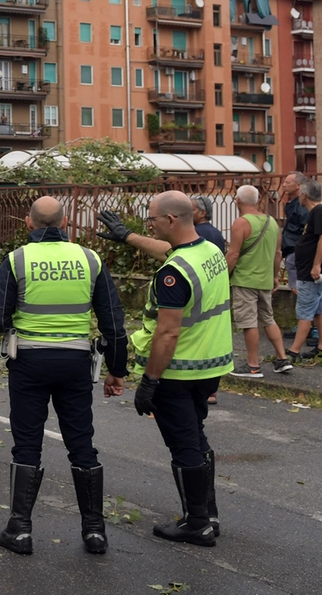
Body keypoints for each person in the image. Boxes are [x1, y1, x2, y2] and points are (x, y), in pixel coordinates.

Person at [0, 197, 128, 556]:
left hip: (29, 363)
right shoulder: (90, 259)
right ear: (65, 221)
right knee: (81, 442)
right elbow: (112, 321)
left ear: (29, 222)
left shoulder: (17, 259)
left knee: (27, 442)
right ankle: (95, 531)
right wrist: (117, 369)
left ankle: (20, 530)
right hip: (75, 363)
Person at [100, 191, 232, 546]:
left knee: (183, 444)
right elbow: (166, 250)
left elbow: (168, 332)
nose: (150, 223)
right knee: (197, 436)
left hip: (177, 372)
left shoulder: (173, 275)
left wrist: (150, 382)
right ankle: (208, 513)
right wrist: (127, 236)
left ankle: (197, 524)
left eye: (153, 219)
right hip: (210, 366)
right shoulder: (210, 250)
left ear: (172, 221)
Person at [224, 185, 291, 376]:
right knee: (268, 319)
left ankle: (253, 365)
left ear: (237, 201)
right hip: (265, 280)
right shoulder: (272, 223)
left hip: (245, 279)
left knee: (248, 322)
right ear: (258, 200)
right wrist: (274, 276)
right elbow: (278, 253)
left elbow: (234, 253)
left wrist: (224, 276)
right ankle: (282, 358)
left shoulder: (241, 223)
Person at [286, 178, 322, 363]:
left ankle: (293, 352)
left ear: (304, 195)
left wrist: (316, 265)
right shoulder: (318, 212)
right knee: (319, 311)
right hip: (313, 273)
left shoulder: (319, 212)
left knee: (305, 312)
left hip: (311, 274)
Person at [279, 172, 308, 297]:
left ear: (298, 185)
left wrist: (298, 249)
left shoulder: (301, 205)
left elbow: (305, 229)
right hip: (291, 249)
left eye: (288, 182)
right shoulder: (292, 204)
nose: (284, 185)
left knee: (299, 289)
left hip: (296, 251)